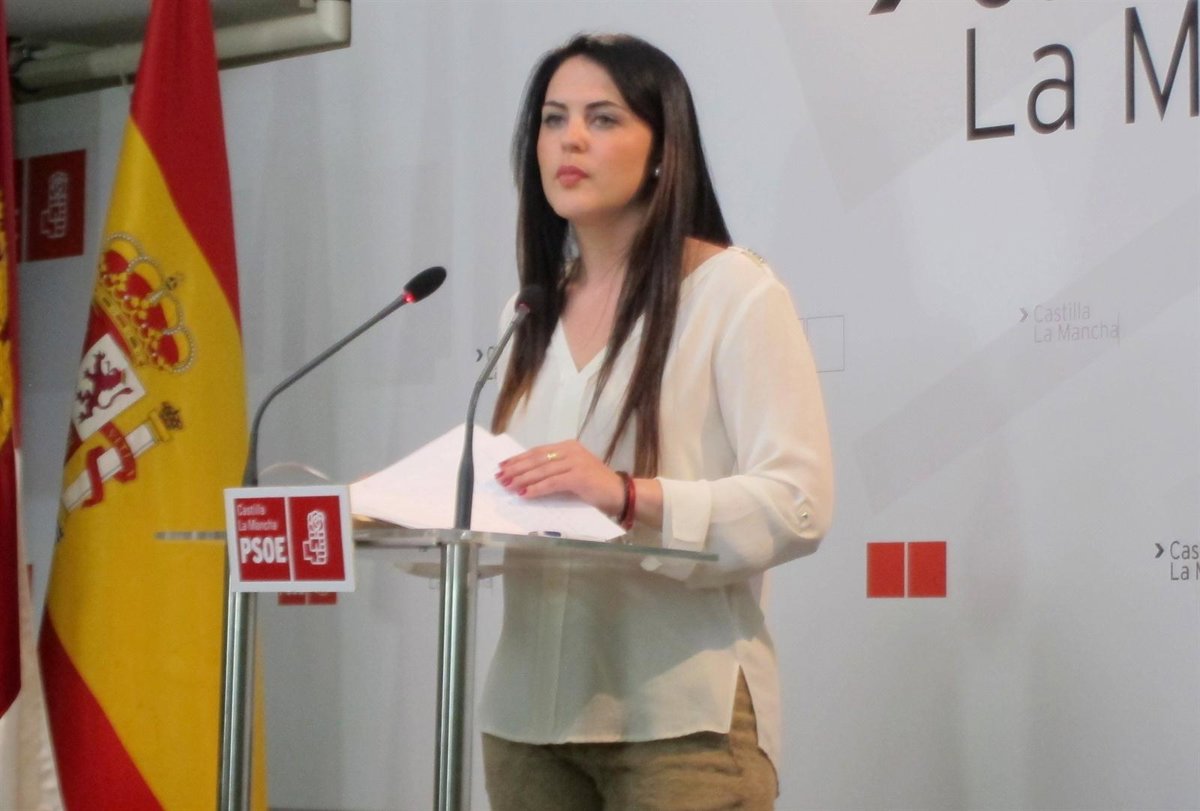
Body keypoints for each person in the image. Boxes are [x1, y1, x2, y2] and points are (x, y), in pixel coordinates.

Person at [482, 32, 833, 811]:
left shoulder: (732, 291)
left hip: (682, 721)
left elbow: (799, 503)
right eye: (553, 118)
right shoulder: (527, 311)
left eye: (603, 118)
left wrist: (629, 495)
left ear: (663, 151)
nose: (570, 139)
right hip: (525, 721)